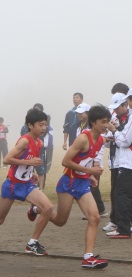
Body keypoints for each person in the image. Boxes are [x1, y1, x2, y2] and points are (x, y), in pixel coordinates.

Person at [0, 108, 54, 260]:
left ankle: (32, 242)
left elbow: (29, 160)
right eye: (40, 125)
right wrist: (29, 162)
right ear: (30, 125)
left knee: (48, 208)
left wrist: (31, 171)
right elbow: (7, 159)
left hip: (26, 185)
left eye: (45, 125)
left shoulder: (39, 143)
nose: (43, 128)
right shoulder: (25, 140)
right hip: (12, 185)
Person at [51, 105, 110, 268]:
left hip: (82, 183)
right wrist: (89, 170)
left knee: (95, 217)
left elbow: (87, 159)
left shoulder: (101, 140)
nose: (106, 125)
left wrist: (90, 176)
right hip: (68, 183)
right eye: (103, 122)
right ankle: (38, 209)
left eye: (107, 122)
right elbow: (66, 161)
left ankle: (88, 257)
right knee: (60, 221)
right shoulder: (83, 138)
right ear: (93, 122)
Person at [102, 89, 130, 234]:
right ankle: (118, 223)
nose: (116, 111)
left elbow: (125, 141)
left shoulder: (129, 118)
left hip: (126, 162)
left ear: (126, 103)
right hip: (116, 161)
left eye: (118, 107)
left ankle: (123, 226)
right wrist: (111, 133)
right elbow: (108, 142)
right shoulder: (118, 119)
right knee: (117, 193)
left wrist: (115, 131)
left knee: (121, 194)